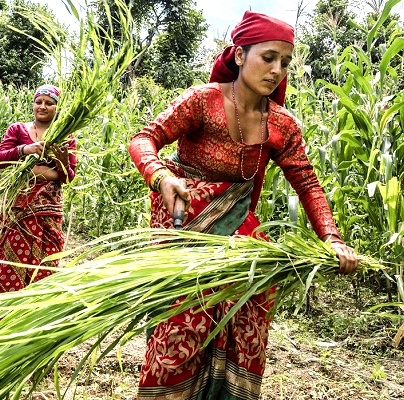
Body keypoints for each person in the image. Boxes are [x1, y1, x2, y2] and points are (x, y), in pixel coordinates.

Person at [128, 11, 359, 400]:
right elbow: (144, 138)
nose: (277, 70)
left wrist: (332, 239)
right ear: (239, 55)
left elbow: (308, 184)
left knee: (246, 330)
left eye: (285, 62)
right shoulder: (202, 101)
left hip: (238, 245)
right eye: (268, 57)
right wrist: (161, 176)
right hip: (187, 235)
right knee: (179, 334)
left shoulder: (282, 125)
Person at [0, 84, 77, 294]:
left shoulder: (65, 136)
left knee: (45, 267)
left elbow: (68, 177)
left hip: (48, 212)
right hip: (19, 209)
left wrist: (61, 162)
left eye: (49, 103)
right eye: (39, 102)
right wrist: (25, 150)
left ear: (57, 107)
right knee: (11, 264)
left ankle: (34, 318)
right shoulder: (17, 130)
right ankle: (3, 319)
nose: (42, 107)